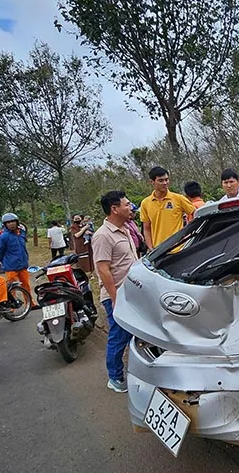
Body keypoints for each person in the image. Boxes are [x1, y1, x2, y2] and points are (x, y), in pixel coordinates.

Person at [92, 191, 138, 393]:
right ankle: (115, 377)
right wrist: (115, 297)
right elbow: (103, 269)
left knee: (135, 334)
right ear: (115, 208)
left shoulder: (125, 229)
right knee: (118, 336)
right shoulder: (102, 235)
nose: (130, 207)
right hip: (117, 295)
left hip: (133, 293)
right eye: (127, 205)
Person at [139, 166, 196, 250]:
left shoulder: (178, 198)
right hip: (159, 252)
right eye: (161, 180)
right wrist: (151, 249)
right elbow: (146, 229)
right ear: (152, 182)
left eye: (166, 179)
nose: (165, 183)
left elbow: (196, 214)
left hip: (179, 249)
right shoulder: (145, 203)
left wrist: (189, 235)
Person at [0, 213, 39, 309]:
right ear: (5, 224)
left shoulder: (21, 234)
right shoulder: (4, 237)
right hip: (10, 266)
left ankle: (30, 303)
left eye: (13, 221)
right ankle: (12, 308)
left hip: (22, 265)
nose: (11, 224)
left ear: (17, 222)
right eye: (8, 222)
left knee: (26, 286)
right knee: (11, 288)